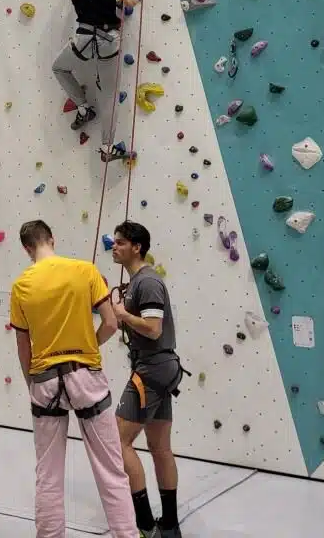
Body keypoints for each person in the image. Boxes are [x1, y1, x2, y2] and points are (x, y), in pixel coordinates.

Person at [10, 220, 138, 538]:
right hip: (86, 375)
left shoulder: (21, 286)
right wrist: (88, 346)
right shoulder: (85, 271)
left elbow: (23, 347)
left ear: (27, 249)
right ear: (52, 239)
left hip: (44, 380)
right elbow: (111, 324)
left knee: (48, 474)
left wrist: (31, 383)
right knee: (111, 471)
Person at [112, 222, 186, 538]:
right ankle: (169, 525)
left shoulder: (148, 282)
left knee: (118, 442)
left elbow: (153, 329)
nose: (114, 247)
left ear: (137, 247)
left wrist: (122, 314)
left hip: (152, 369)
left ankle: (144, 525)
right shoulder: (138, 283)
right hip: (162, 368)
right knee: (159, 447)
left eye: (120, 242)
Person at [52, 0, 138, 157]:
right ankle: (107, 147)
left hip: (84, 40)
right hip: (108, 41)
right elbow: (129, 0)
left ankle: (83, 108)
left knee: (59, 68)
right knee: (108, 95)